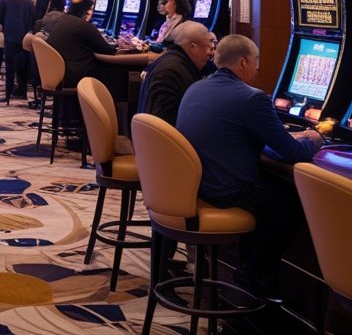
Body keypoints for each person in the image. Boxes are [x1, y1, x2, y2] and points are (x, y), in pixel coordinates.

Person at [176, 34, 323, 296]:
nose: (258, 68)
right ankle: (255, 273)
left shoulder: (196, 87)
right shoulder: (252, 98)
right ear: (243, 62)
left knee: (271, 189)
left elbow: (233, 133)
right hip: (223, 191)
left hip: (193, 187)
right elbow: (292, 152)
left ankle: (249, 271)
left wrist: (278, 136)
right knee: (291, 199)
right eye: (256, 62)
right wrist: (316, 138)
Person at [136, 21, 215, 125]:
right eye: (209, 46)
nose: (212, 52)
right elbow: (162, 124)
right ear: (193, 47)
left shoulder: (175, 60)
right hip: (160, 139)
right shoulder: (170, 72)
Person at [43, 0, 113, 89]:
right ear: (88, 8)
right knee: (117, 71)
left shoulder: (63, 20)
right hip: (77, 76)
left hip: (61, 74)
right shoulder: (82, 26)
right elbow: (108, 51)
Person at [0, 0, 36, 100]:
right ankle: (22, 90)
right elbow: (35, 21)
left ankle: (9, 91)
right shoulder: (29, 3)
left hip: (10, 39)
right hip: (25, 40)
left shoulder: (4, 2)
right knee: (24, 65)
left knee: (10, 66)